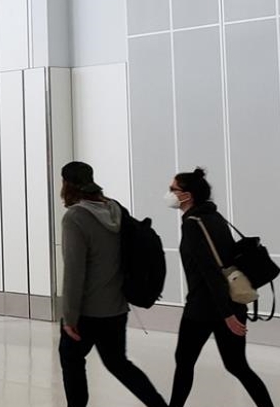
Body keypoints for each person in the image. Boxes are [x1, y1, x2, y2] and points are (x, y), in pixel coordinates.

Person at [59, 161, 168, 407]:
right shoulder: (116, 210)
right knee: (119, 364)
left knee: (71, 360)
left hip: (87, 312)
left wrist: (69, 317)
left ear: (66, 184)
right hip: (116, 309)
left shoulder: (75, 217)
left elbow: (74, 273)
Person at [167, 167, 274, 407]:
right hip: (231, 304)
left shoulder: (193, 224)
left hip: (203, 308)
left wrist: (226, 315)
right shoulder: (214, 217)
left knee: (184, 362)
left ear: (187, 195)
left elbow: (210, 272)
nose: (169, 194)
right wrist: (230, 311)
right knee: (237, 365)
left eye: (173, 189)